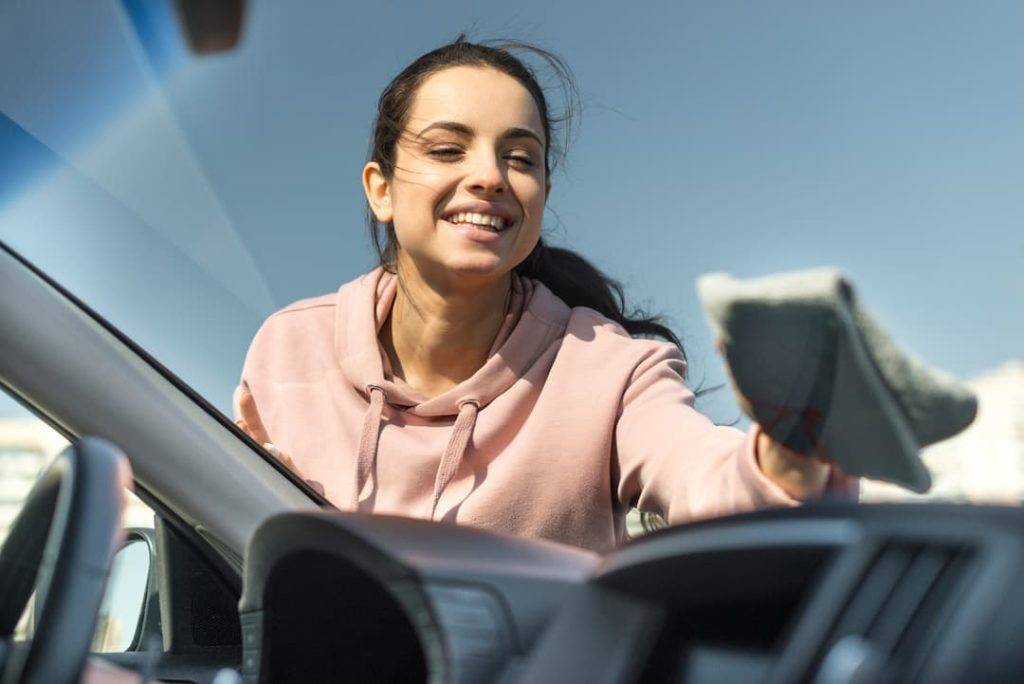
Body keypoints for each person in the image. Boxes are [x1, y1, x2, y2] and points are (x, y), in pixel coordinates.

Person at [233, 36, 856, 553]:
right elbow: (226, 530)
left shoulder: (613, 370)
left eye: (521, 158)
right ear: (381, 188)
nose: (489, 177)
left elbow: (699, 471)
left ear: (542, 196)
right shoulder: (290, 347)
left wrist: (786, 457)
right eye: (449, 149)